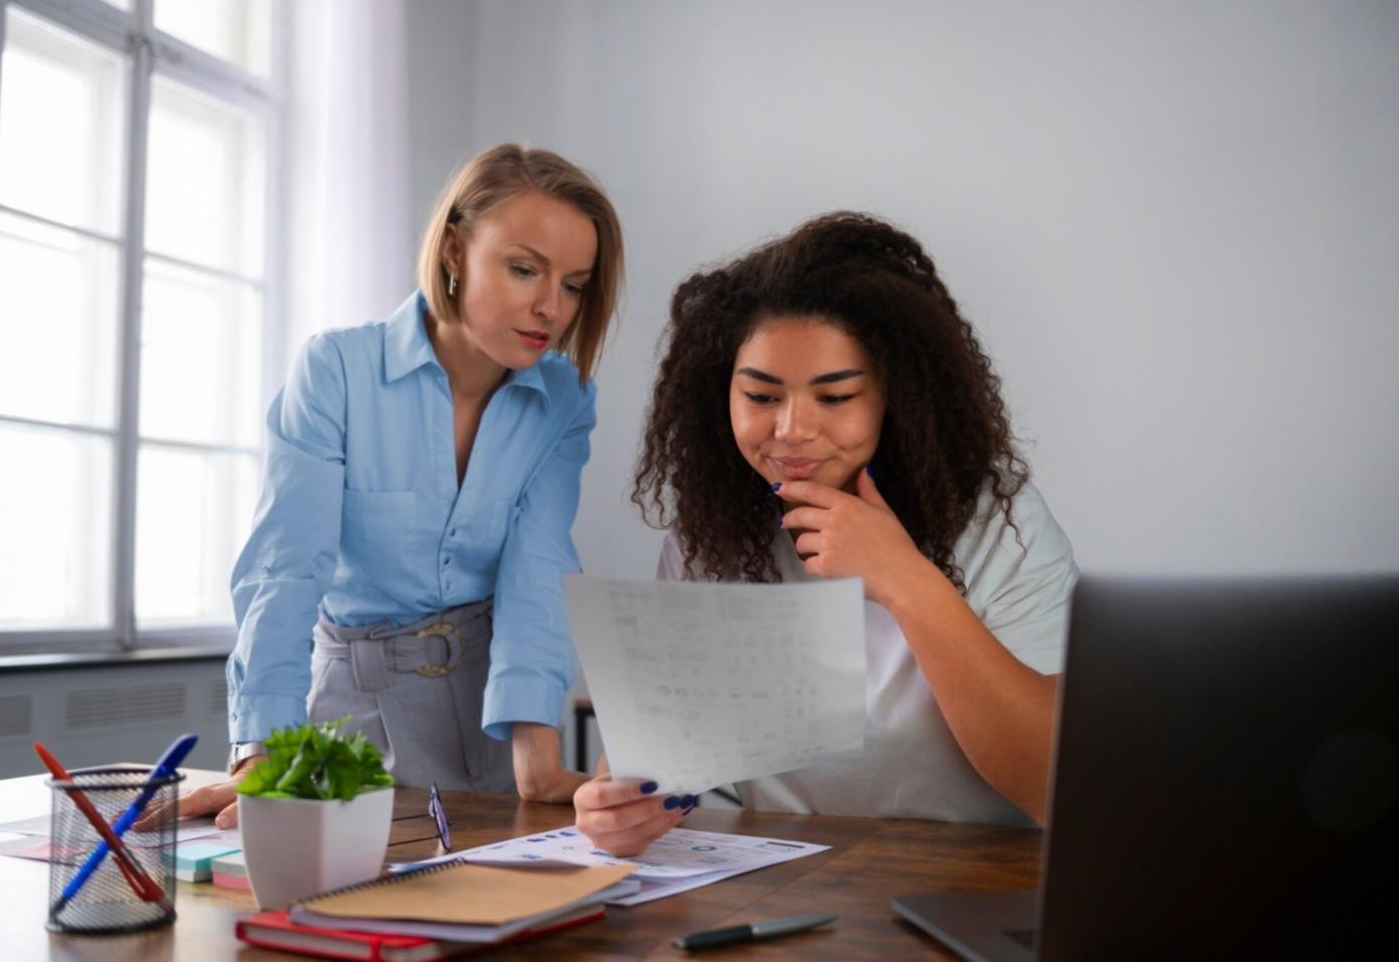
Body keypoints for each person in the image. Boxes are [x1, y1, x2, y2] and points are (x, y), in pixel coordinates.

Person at [574, 212, 1076, 856]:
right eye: (760, 397)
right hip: (772, 888)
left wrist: (904, 580)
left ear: (898, 397)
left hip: (973, 888)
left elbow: (1055, 784)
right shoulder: (712, 535)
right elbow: (659, 767)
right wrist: (621, 805)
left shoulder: (1001, 525)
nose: (790, 430)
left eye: (834, 398)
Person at [180, 144, 624, 829]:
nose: (550, 307)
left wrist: (537, 751)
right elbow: (286, 564)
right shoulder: (337, 369)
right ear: (453, 250)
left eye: (573, 284)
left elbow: (538, 567)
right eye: (523, 269)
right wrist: (259, 749)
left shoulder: (564, 397)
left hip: (492, 720)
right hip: (350, 711)